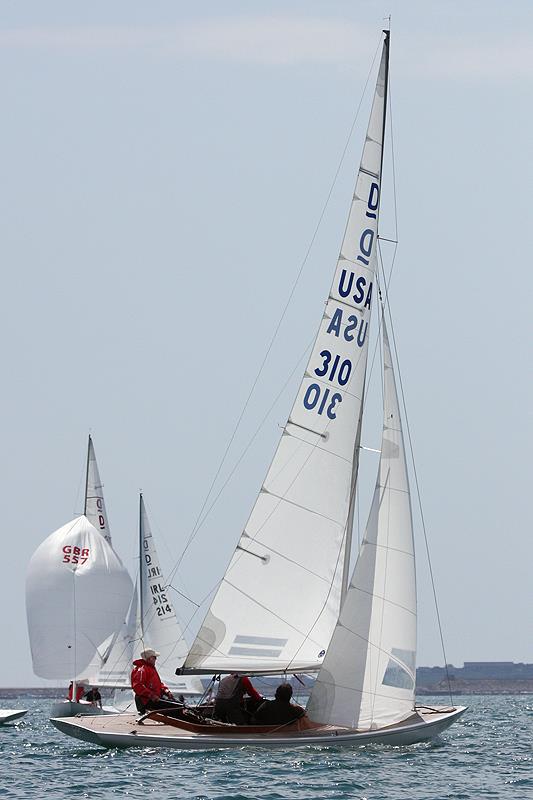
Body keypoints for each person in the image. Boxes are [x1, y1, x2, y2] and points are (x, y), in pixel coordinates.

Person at [130, 648, 184, 715]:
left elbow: (159, 685)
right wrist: (152, 695)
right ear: (150, 658)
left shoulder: (150, 669)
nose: (156, 659)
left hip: (155, 700)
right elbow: (137, 686)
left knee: (179, 703)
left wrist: (167, 692)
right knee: (177, 707)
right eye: (155, 657)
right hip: (147, 702)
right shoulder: (142, 670)